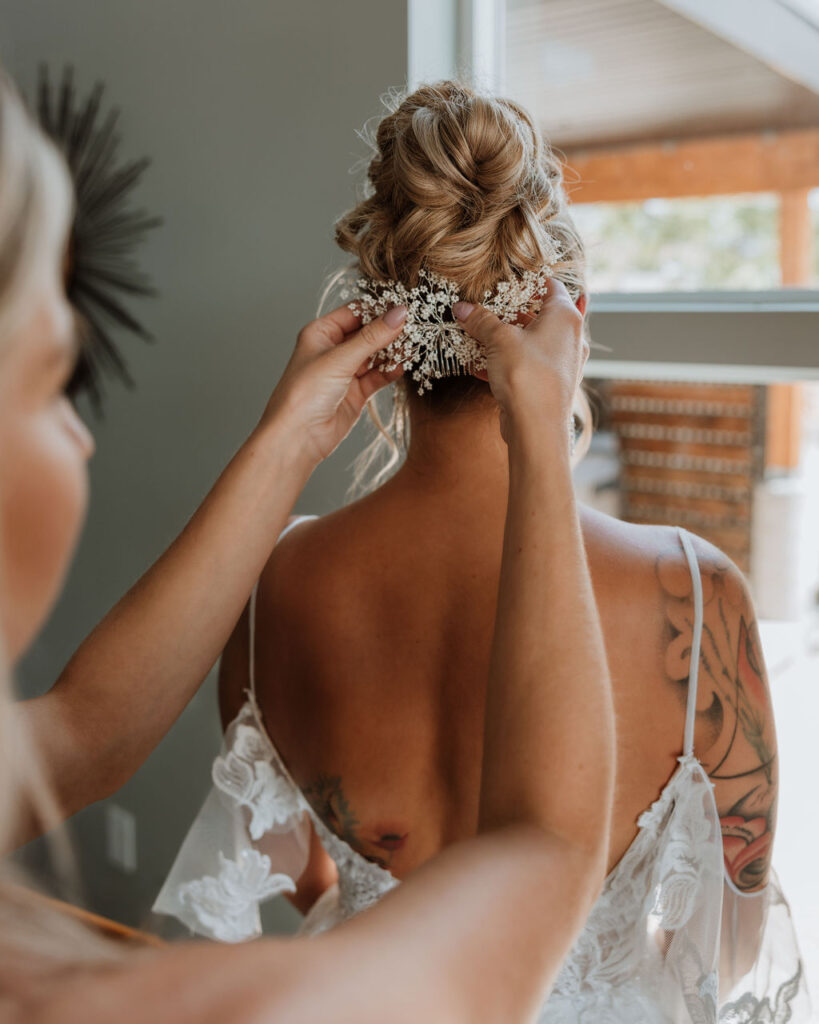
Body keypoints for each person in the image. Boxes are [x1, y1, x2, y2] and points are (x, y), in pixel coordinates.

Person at [159, 81, 810, 1021]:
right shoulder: (695, 593)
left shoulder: (273, 582)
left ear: (383, 328)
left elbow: (300, 873)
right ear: (569, 317)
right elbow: (732, 938)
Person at [0, 68, 617, 1021]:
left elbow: (85, 732)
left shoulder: (285, 578)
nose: (82, 437)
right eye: (54, 382)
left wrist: (290, 437)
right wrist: (536, 433)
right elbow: (545, 852)